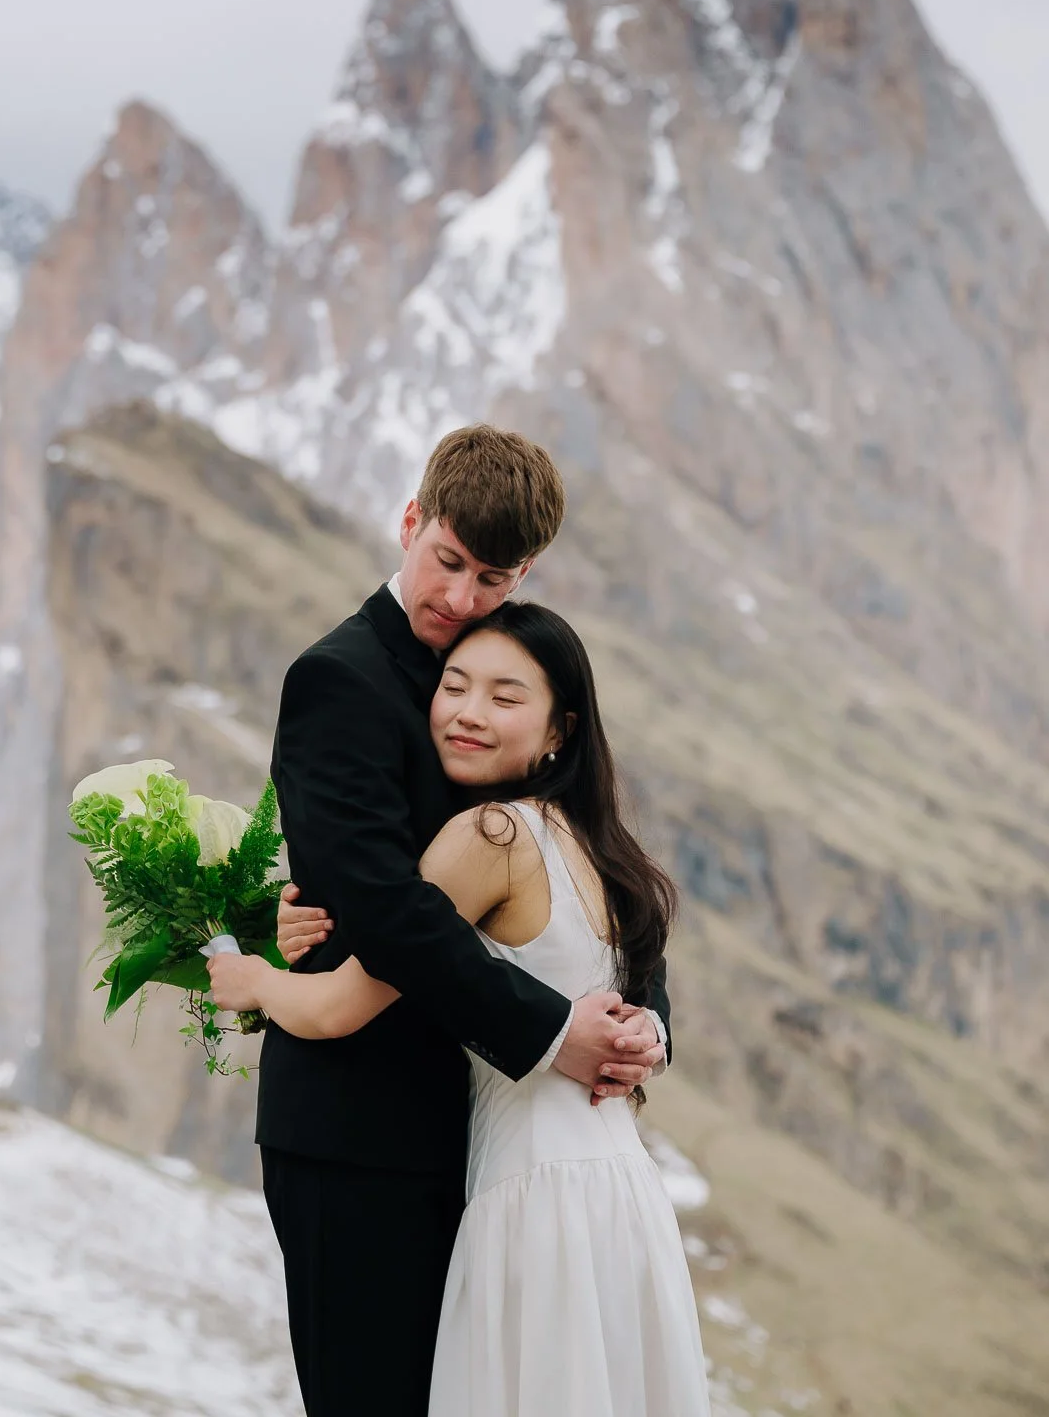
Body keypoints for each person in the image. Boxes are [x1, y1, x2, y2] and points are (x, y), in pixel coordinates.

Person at [217, 425, 669, 1417]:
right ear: (410, 521)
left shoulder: (501, 666)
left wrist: (639, 1020)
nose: (460, 599)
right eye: (447, 563)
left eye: (492, 579)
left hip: (490, 1149)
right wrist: (554, 1032)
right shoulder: (337, 680)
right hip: (359, 1131)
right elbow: (383, 905)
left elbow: (594, 847)